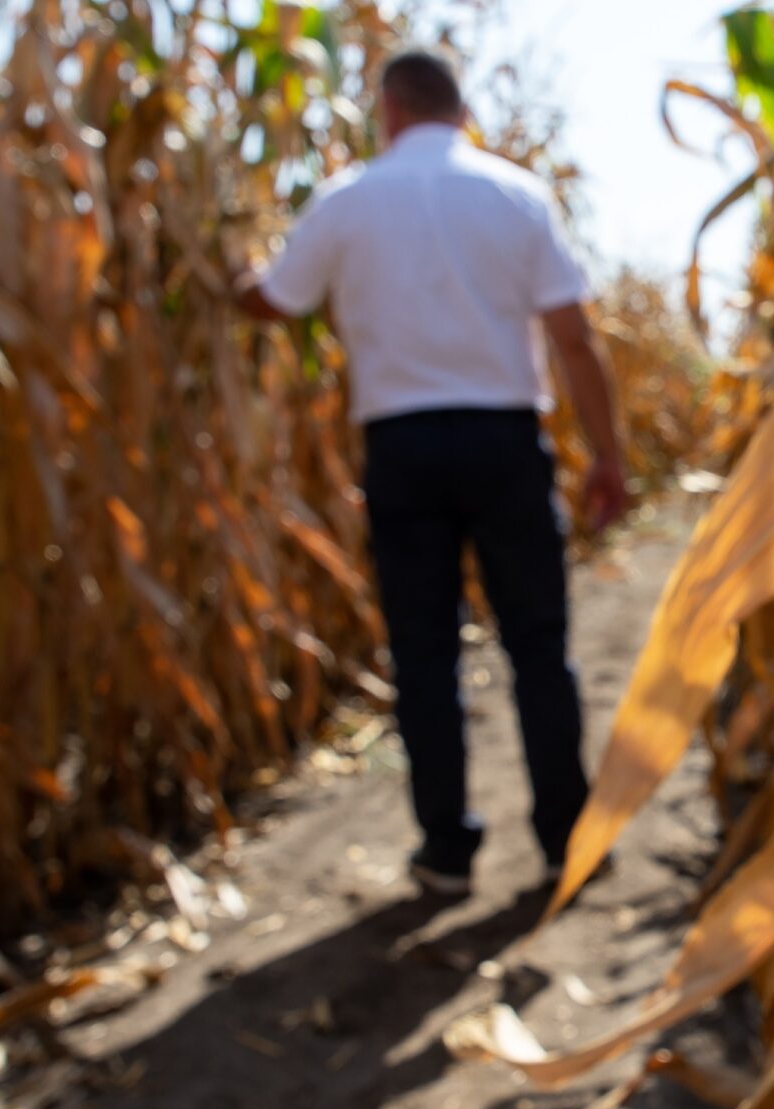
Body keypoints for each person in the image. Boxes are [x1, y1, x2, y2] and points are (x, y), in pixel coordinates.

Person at [240, 45, 627, 900]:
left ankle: (446, 852)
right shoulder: (515, 195)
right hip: (504, 444)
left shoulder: (346, 199)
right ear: (462, 110)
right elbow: (573, 338)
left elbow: (276, 299)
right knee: (538, 646)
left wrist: (232, 276)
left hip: (403, 450)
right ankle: (567, 839)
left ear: (388, 111)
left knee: (424, 654)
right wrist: (608, 455)